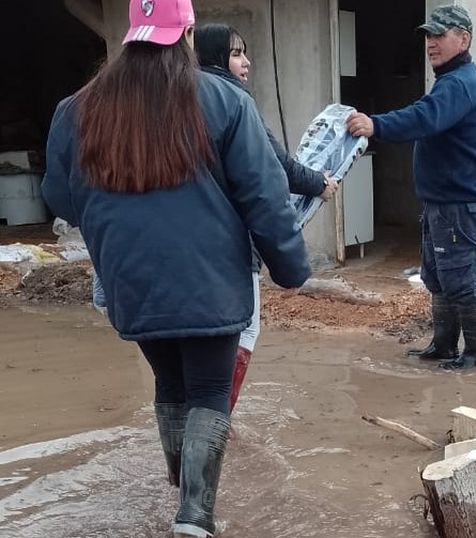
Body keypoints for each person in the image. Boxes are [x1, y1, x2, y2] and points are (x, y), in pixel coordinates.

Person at [41, 0, 311, 536]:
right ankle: (195, 516)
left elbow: (62, 200)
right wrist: (291, 269)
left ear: (131, 34)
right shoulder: (223, 100)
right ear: (185, 32)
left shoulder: (75, 110)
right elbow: (265, 195)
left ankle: (177, 487)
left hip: (130, 280)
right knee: (210, 389)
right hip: (209, 277)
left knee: (169, 379)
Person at [194, 23, 336, 413]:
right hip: (228, 246)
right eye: (237, 53)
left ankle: (199, 425)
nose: (247, 62)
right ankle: (220, 417)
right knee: (245, 327)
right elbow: (274, 170)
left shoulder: (175, 99)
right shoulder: (233, 103)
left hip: (181, 249)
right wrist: (318, 184)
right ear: (214, 56)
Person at [347, 5, 476, 370]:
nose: (431, 43)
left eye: (439, 35)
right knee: (438, 277)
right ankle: (444, 346)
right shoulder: (452, 81)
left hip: (457, 204)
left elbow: (423, 117)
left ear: (464, 39)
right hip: (441, 202)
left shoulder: (460, 84)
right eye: (429, 35)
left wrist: (375, 125)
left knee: (460, 279)